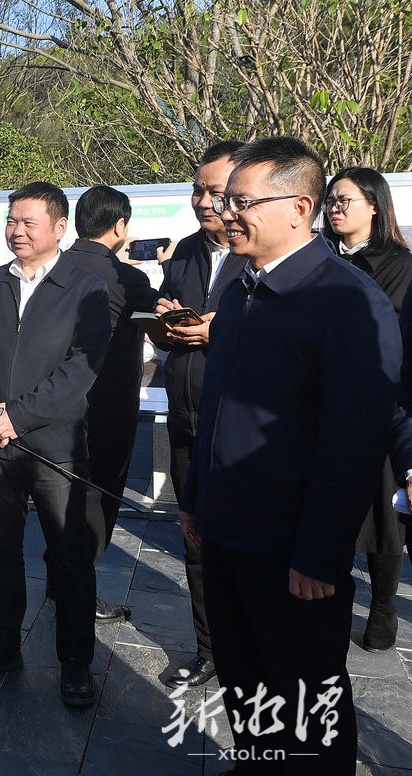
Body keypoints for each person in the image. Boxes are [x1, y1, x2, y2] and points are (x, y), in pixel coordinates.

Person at [187, 136, 400, 772]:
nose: (227, 213)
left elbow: (353, 440)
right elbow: (216, 412)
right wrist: (196, 500)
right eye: (226, 200)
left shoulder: (349, 302)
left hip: (291, 551)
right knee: (247, 683)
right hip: (228, 534)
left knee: (307, 698)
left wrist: (319, 552)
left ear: (298, 206)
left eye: (241, 201)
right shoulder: (239, 291)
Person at [0, 182, 111, 708]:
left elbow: (80, 370)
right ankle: (2, 643)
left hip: (55, 446)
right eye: (11, 221)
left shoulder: (85, 288)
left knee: (70, 557)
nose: (17, 232)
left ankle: (75, 661)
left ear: (59, 227)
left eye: (29, 223)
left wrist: (16, 417)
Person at [153, 139, 246, 690]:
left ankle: (247, 651)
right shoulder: (186, 250)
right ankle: (208, 647)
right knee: (195, 541)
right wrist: (166, 316)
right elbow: (170, 308)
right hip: (186, 416)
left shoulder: (263, 254)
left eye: (215, 190)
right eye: (198, 189)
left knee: (242, 548)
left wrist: (220, 329)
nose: (204, 200)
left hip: (238, 432)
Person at [323, 167, 412, 653]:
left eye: (346, 200)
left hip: (381, 403)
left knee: (383, 517)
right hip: (324, 405)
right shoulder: (318, 258)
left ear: (375, 206)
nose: (335, 207)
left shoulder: (400, 263)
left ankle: (383, 608)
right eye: (331, 200)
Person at [64, 185, 160, 623]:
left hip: (56, 406)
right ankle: (80, 591)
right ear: (120, 226)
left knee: (61, 497)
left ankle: (60, 583)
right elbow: (165, 329)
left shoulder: (55, 266)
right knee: (100, 498)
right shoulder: (128, 279)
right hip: (107, 408)